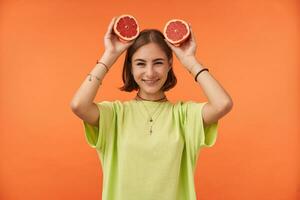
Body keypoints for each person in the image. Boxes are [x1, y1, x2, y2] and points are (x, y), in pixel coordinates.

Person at [70, 16, 233, 200]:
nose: (150, 73)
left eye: (158, 63)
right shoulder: (115, 115)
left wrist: (190, 61)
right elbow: (79, 105)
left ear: (170, 64)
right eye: (140, 63)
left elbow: (223, 104)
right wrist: (110, 55)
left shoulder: (184, 116)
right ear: (130, 67)